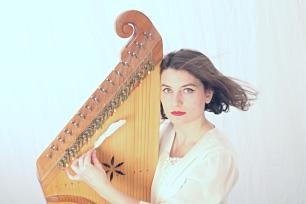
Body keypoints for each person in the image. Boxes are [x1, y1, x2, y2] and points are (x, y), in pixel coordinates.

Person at [66, 49, 257, 204]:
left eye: (187, 90)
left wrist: (101, 186)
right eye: (167, 90)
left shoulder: (217, 157)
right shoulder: (162, 130)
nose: (176, 101)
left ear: (208, 94)